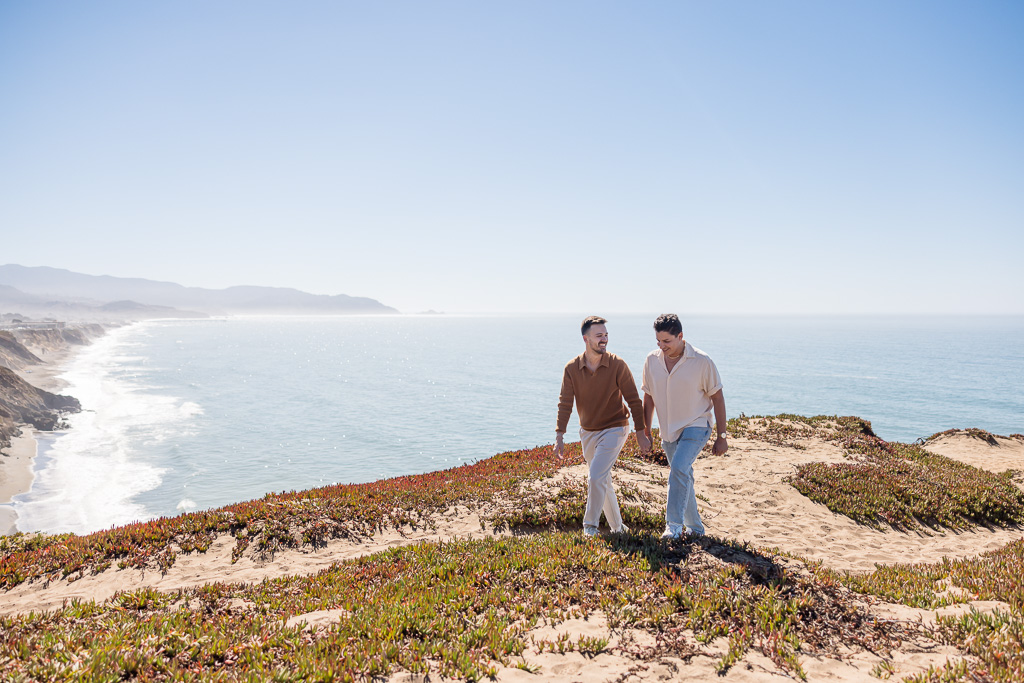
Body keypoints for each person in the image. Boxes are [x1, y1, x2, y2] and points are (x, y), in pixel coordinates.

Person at [555, 315, 652, 537]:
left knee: (596, 476)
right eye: (599, 335)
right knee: (603, 479)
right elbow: (565, 403)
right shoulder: (571, 368)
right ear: (586, 339)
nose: (604, 339)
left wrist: (640, 432)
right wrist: (559, 435)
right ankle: (619, 528)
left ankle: (590, 526)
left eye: (606, 335)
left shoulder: (617, 365)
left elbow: (634, 400)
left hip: (615, 428)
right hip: (587, 432)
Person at [641, 314, 727, 539]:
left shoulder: (702, 361)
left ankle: (673, 526)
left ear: (680, 336)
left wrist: (722, 436)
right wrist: (646, 431)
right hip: (669, 431)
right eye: (658, 341)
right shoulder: (652, 360)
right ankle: (696, 529)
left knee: (678, 468)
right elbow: (648, 398)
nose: (662, 346)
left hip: (697, 425)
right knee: (683, 474)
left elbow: (717, 398)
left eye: (667, 341)